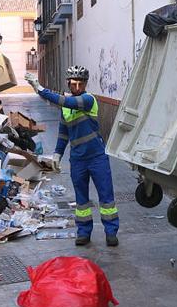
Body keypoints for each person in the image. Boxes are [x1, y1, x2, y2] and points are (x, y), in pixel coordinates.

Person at [25, 67, 119, 247]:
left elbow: (66, 101)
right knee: (81, 200)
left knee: (106, 197)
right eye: (73, 83)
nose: (77, 86)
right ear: (68, 83)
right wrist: (57, 154)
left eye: (80, 83)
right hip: (77, 160)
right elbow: (63, 132)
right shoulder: (66, 108)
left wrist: (40, 89)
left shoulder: (87, 100)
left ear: (85, 84)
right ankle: (83, 232)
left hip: (97, 157)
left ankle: (111, 232)